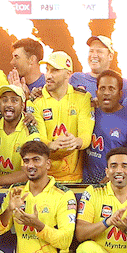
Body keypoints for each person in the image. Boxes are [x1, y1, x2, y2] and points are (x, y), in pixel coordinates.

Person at [30, 51, 93, 182]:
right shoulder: (36, 101)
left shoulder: (83, 98)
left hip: (74, 179)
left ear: (68, 74)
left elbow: (86, 135)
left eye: (55, 70)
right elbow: (38, 138)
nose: (48, 75)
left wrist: (76, 142)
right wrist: (50, 145)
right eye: (47, 70)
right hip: (43, 178)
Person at [81, 70, 127, 184]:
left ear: (120, 94)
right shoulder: (87, 112)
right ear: (96, 92)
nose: (106, 93)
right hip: (86, 184)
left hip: (116, 185)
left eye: (111, 89)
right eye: (102, 88)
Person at [0, 84, 44, 190]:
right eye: (4, 100)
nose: (9, 104)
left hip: (20, 190)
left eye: (14, 100)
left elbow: (28, 172)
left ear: (22, 106)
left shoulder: (31, 130)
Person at [69, 35, 127, 114]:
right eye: (91, 51)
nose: (94, 55)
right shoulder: (76, 78)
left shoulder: (123, 84)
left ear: (110, 56)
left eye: (99, 51)